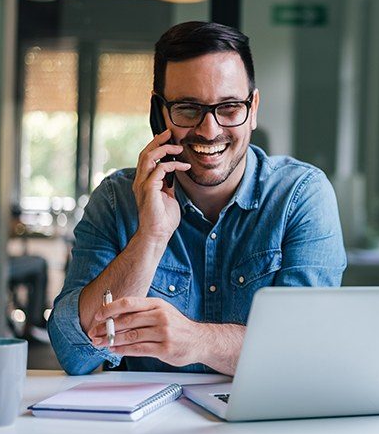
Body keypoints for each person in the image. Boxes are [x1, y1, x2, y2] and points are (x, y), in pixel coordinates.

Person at [48, 21, 346, 376]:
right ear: (160, 114)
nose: (209, 130)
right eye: (188, 109)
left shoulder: (301, 196)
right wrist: (151, 237)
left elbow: (306, 351)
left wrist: (196, 340)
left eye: (229, 107)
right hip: (146, 428)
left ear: (253, 108)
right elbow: (73, 354)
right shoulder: (116, 200)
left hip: (261, 425)